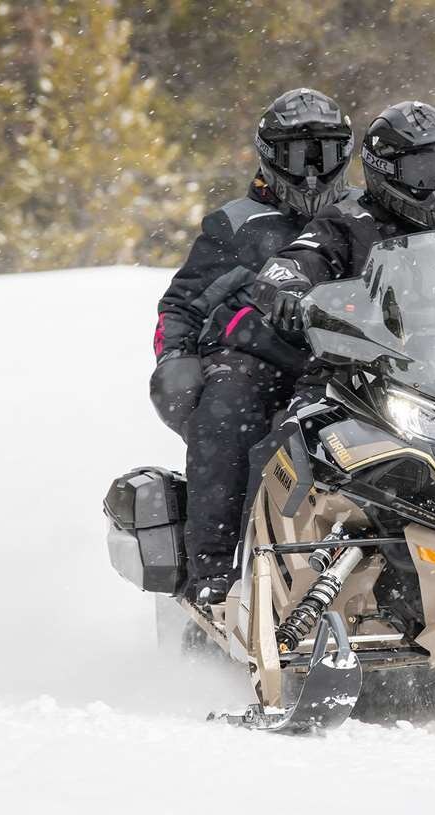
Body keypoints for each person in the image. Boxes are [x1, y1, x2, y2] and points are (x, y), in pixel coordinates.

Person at [150, 88, 356, 604]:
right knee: (225, 418)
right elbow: (181, 304)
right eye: (298, 156)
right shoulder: (236, 224)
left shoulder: (362, 218)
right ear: (269, 157)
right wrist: (175, 360)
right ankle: (216, 572)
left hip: (347, 364)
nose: (312, 173)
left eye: (325, 154)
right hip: (254, 362)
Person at [246, 100, 435, 334]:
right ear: (383, 168)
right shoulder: (347, 223)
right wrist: (290, 284)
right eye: (420, 173)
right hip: (366, 352)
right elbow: (300, 259)